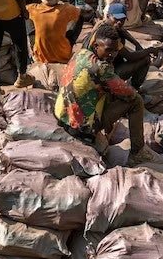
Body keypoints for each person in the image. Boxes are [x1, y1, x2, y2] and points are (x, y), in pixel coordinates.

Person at [54, 26, 150, 160]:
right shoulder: (101, 68)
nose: (112, 55)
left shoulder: (80, 53)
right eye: (108, 50)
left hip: (62, 114)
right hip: (80, 125)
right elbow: (130, 94)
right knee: (136, 101)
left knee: (109, 89)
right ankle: (137, 154)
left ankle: (106, 130)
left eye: (115, 51)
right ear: (96, 46)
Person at [27, 0, 83, 66]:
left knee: (28, 22)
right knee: (80, 18)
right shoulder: (67, 9)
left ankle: (35, 50)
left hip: (41, 57)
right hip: (63, 55)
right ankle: (69, 41)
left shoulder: (32, 9)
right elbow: (82, 12)